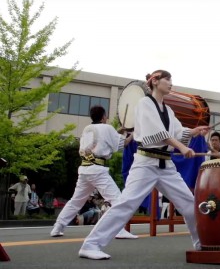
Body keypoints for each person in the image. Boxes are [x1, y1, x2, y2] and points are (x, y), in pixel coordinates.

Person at [78, 69, 209, 260]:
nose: (171, 83)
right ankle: (90, 245)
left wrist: (194, 131)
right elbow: (158, 133)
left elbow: (177, 131)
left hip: (166, 166)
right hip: (146, 163)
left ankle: (201, 243)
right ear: (155, 81)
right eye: (167, 79)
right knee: (126, 204)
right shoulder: (144, 104)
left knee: (189, 204)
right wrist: (181, 147)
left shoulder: (169, 110)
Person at [50, 105, 137, 240]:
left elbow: (106, 137)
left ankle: (58, 227)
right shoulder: (107, 128)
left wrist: (119, 131)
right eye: (106, 116)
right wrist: (133, 134)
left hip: (85, 169)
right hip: (97, 170)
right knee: (117, 200)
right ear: (103, 117)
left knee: (76, 201)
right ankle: (118, 230)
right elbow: (123, 143)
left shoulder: (87, 129)